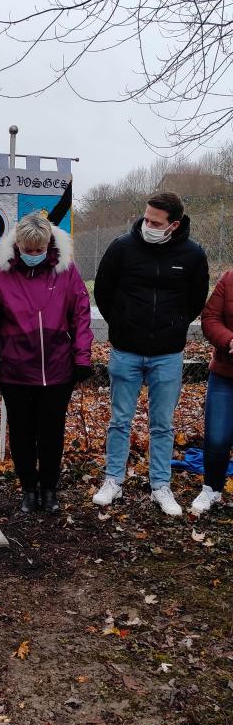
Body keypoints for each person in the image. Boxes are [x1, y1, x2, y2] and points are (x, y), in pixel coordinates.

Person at [93, 191, 209, 516]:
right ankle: (113, 480)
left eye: (155, 222)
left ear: (173, 224)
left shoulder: (192, 254)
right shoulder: (122, 247)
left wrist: (173, 326)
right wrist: (122, 324)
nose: (148, 225)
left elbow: (196, 299)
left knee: (162, 424)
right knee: (119, 420)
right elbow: (103, 290)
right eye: (146, 218)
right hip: (126, 351)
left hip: (167, 355)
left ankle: (160, 485)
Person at [0, 212, 93, 514]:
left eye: (38, 250)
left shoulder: (66, 272)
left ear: (48, 245)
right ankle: (28, 488)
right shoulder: (0, 275)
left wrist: (82, 356)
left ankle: (49, 488)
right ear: (17, 246)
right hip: (16, 370)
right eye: (27, 250)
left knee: (51, 432)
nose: (32, 255)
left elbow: (80, 315)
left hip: (57, 369)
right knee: (22, 432)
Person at [190, 271, 233, 514]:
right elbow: (210, 319)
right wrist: (229, 340)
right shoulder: (228, 280)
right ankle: (211, 489)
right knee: (217, 439)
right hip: (226, 375)